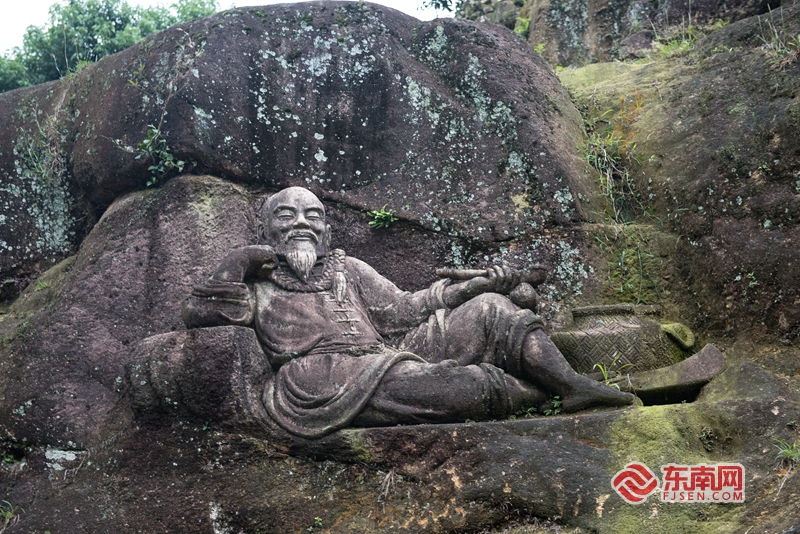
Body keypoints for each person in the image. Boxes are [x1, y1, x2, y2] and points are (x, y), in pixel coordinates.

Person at [183, 187, 637, 438]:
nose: (302, 223)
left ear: (325, 228)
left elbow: (405, 309)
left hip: (387, 349)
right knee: (457, 386)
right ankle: (541, 394)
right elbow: (200, 314)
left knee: (492, 309)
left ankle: (573, 387)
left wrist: (469, 289)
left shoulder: (349, 267)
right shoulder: (254, 284)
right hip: (323, 380)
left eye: (314, 215)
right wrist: (238, 260)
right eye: (286, 215)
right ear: (266, 227)